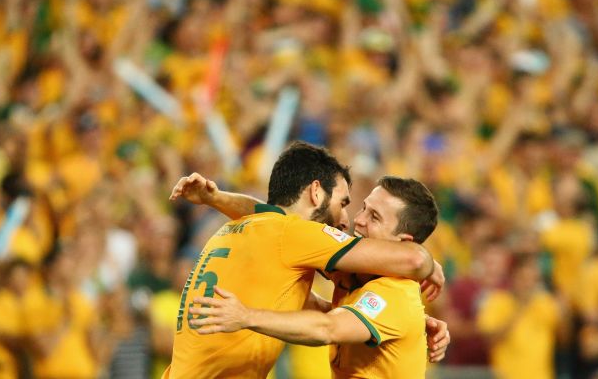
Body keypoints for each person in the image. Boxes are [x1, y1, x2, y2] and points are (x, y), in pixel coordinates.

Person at [165, 142, 444, 378]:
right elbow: (415, 259)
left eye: (373, 216)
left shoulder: (248, 228)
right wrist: (431, 267)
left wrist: (410, 322)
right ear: (315, 192)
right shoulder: (299, 236)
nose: (350, 221)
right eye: (345, 204)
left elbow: (315, 310)